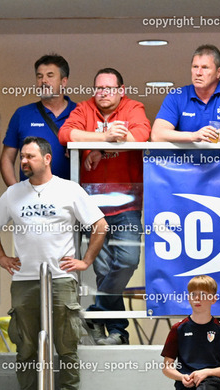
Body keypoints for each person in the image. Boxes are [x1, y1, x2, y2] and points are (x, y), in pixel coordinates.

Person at [0, 137, 107, 390]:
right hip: (24, 280)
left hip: (61, 278)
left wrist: (85, 261)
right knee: (26, 345)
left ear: (47, 159)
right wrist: (2, 257)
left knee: (66, 343)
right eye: (22, 157)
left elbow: (100, 225)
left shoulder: (69, 189)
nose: (24, 161)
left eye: (30, 156)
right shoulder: (13, 193)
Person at [59, 67, 151, 345]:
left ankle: (97, 312)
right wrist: (105, 137)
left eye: (109, 88)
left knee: (128, 261)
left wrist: (101, 148)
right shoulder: (84, 109)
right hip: (92, 207)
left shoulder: (133, 107)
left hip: (127, 203)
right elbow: (66, 134)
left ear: (121, 90)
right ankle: (118, 332)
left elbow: (140, 135)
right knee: (102, 271)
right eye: (99, 88)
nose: (103, 93)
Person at [161, 275, 220, 390]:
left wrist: (206, 372)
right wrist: (181, 377)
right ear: (188, 298)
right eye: (193, 294)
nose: (197, 298)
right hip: (186, 384)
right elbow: (167, 367)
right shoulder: (178, 329)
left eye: (203, 294)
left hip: (213, 381)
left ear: (213, 299)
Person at [1, 54, 76, 185]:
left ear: (63, 82)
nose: (44, 81)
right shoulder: (22, 114)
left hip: (71, 196)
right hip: (30, 195)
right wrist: (15, 192)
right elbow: (7, 158)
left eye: (50, 76)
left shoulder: (80, 112)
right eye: (39, 76)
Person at [151, 44, 220, 142]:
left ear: (219, 72)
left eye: (205, 67)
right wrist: (193, 136)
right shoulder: (176, 95)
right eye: (195, 67)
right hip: (186, 152)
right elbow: (157, 135)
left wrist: (202, 137)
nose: (198, 73)